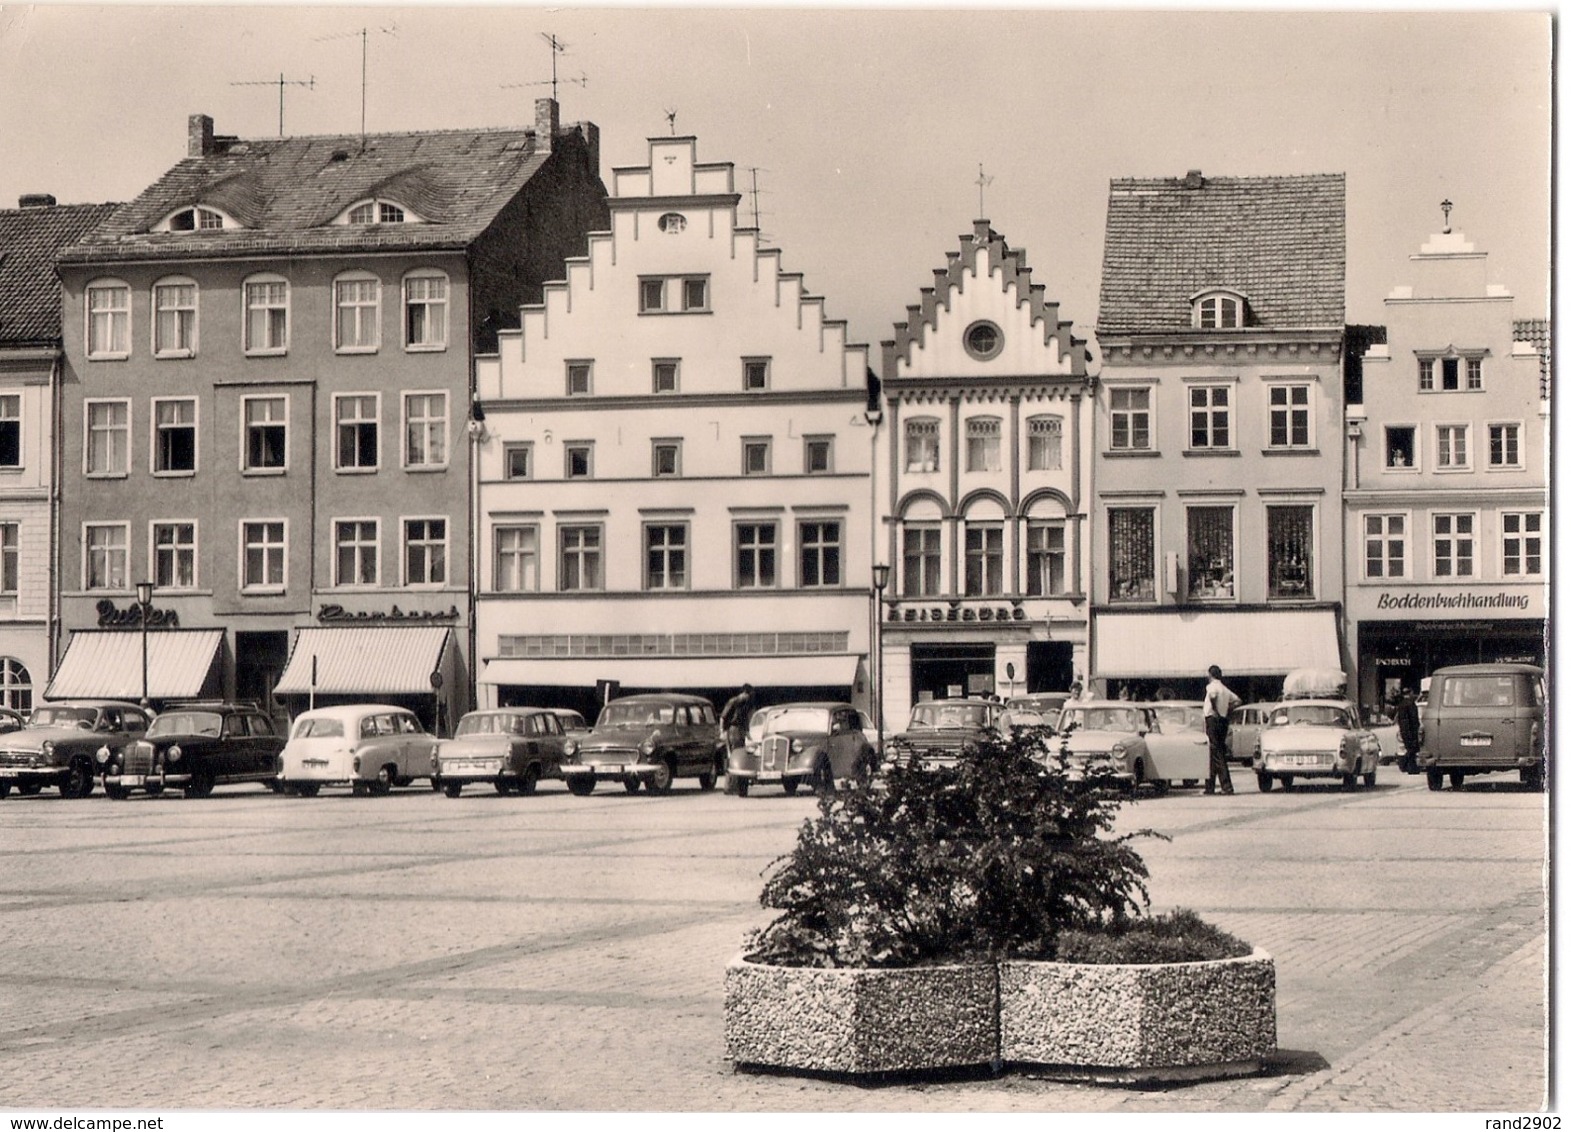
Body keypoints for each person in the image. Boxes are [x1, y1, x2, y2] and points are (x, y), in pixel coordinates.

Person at [1202, 665, 1241, 795]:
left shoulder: (1212, 686)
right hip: (1222, 720)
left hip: (1213, 719)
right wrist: (1226, 710)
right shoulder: (1225, 689)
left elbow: (1213, 696)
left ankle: (1227, 786)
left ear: (1210, 675)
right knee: (1213, 753)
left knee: (1217, 753)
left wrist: (1216, 709)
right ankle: (1210, 786)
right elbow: (1238, 701)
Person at [1393, 688, 1421, 774]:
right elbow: (1413, 718)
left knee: (1408, 748)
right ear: (1410, 693)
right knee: (1412, 750)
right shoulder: (1410, 704)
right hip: (1411, 730)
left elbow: (1399, 719)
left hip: (1404, 730)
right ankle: (1411, 767)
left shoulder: (1401, 704)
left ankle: (1407, 766)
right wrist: (1416, 727)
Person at [720, 683, 755, 754]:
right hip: (733, 729)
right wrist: (721, 731)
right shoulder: (733, 702)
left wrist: (747, 733)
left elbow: (745, 719)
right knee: (735, 749)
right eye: (748, 695)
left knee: (741, 749)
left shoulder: (745, 704)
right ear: (744, 693)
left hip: (741, 729)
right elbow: (723, 717)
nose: (749, 697)